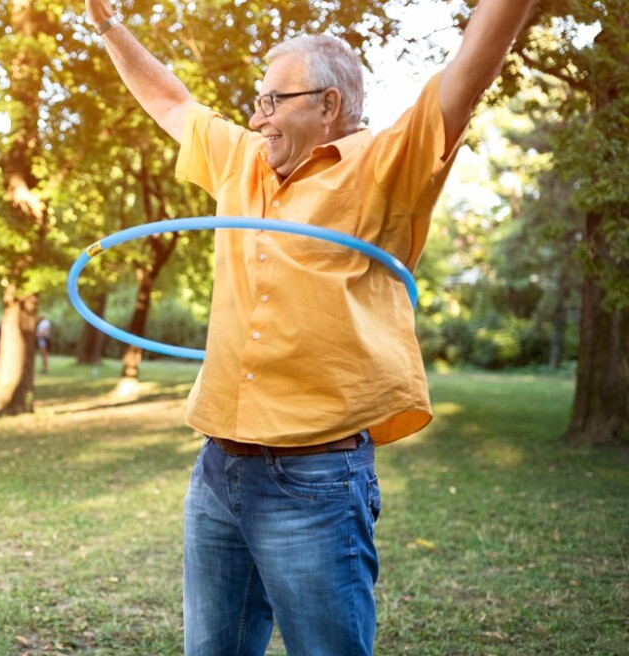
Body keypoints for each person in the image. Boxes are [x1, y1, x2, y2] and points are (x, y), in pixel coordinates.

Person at [84, 1, 533, 654]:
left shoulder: (384, 166)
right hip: (218, 468)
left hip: (316, 479)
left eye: (272, 100)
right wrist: (108, 26)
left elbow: (468, 72)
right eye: (257, 100)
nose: (256, 115)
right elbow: (171, 102)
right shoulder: (242, 162)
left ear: (327, 106)